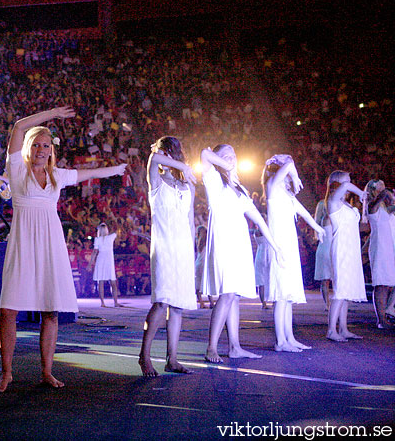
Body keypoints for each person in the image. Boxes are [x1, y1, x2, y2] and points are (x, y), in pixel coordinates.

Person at [0, 107, 126, 393]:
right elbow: (18, 126)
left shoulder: (58, 175)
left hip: (51, 243)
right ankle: (6, 373)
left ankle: (47, 372)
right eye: (37, 145)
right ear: (29, 148)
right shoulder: (16, 169)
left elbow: (88, 173)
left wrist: (116, 170)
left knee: (51, 311)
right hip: (23, 242)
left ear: (52, 150)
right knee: (8, 310)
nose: (41, 150)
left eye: (46, 145)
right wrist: (51, 114)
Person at [200, 144, 283, 363]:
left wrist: (275, 246)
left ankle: (235, 346)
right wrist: (223, 163)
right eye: (225, 155)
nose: (231, 159)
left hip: (239, 244)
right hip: (224, 241)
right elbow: (204, 154)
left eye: (233, 155)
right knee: (227, 295)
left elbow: (257, 218)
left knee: (234, 296)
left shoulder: (238, 187)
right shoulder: (214, 180)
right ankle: (211, 348)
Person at [138, 136, 197, 376]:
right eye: (165, 153)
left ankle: (172, 358)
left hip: (182, 249)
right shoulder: (156, 179)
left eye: (170, 153)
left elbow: (191, 223)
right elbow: (153, 158)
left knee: (178, 306)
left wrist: (192, 253)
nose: (166, 158)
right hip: (163, 246)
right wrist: (182, 165)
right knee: (161, 301)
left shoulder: (187, 186)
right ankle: (144, 355)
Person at [262, 155, 325, 352]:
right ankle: (280, 341)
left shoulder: (287, 196)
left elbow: (305, 212)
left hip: (289, 246)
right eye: (286, 175)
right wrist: (295, 175)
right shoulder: (272, 188)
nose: (290, 178)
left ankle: (290, 337)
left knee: (288, 295)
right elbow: (289, 163)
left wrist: (318, 228)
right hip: (279, 246)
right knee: (281, 295)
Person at [325, 170, 366, 342]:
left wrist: (363, 204)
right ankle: (331, 330)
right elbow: (347, 186)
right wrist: (362, 193)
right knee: (340, 290)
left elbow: (362, 223)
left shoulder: (346, 204)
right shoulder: (333, 201)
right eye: (345, 180)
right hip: (341, 247)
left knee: (346, 290)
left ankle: (343, 328)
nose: (349, 183)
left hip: (351, 247)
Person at [362, 179, 395, 329]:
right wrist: (385, 193)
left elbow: (392, 210)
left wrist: (392, 200)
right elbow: (375, 203)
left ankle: (388, 309)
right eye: (380, 187)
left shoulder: (384, 206)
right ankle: (381, 319)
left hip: (392, 247)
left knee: (390, 281)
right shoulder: (372, 205)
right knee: (381, 284)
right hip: (381, 248)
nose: (384, 189)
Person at [89, 223, 123, 308]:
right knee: (112, 282)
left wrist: (90, 263)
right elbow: (118, 230)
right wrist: (115, 222)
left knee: (102, 282)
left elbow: (94, 252)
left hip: (102, 260)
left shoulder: (98, 239)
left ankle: (103, 303)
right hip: (108, 261)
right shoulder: (110, 237)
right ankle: (114, 302)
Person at [313, 197, 334, 310]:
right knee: (331, 278)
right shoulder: (328, 218)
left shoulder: (320, 221)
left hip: (323, 248)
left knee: (325, 280)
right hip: (330, 249)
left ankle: (328, 304)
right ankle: (331, 303)